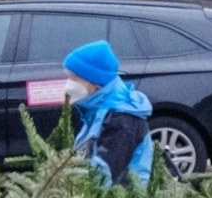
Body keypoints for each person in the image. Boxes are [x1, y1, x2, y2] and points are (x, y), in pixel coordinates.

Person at [63, 40, 155, 187]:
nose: (68, 84)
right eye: (68, 77)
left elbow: (106, 177)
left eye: (74, 78)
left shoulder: (121, 119)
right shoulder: (96, 110)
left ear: (95, 82)